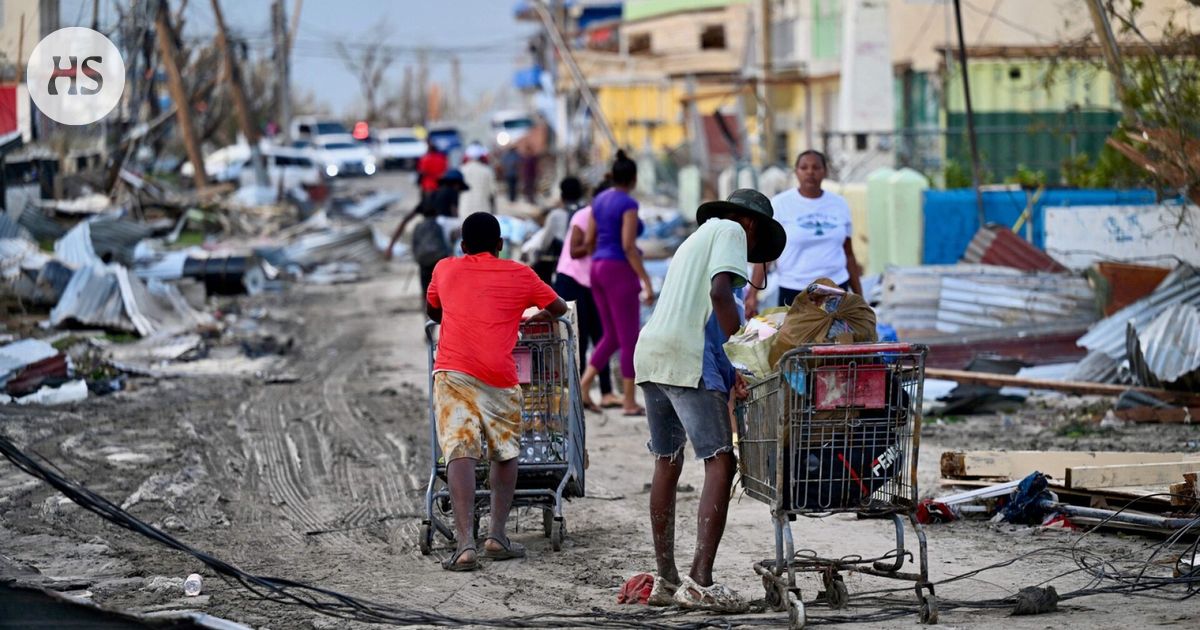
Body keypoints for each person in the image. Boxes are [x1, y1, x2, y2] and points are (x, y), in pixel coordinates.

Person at [633, 189, 786, 611]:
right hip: (686, 359)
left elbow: (703, 310)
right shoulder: (733, 231)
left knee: (667, 461)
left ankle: (666, 579)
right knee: (721, 461)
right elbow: (720, 295)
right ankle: (700, 580)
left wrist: (728, 365)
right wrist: (742, 352)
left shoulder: (694, 239)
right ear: (751, 223)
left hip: (652, 354)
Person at [426, 212, 568, 571]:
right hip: (499, 376)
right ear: (501, 245)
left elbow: (435, 311)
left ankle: (464, 545)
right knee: (505, 452)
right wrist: (532, 314)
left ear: (462, 246)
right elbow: (559, 308)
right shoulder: (521, 273)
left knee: (460, 448)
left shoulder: (444, 268)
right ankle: (497, 536)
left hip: (453, 371)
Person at [580, 151, 654, 416]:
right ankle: (629, 401)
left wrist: (600, 261)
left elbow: (589, 241)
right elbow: (628, 246)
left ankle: (584, 385)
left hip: (598, 267)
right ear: (633, 178)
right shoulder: (628, 204)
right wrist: (646, 281)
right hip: (618, 270)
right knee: (629, 337)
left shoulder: (598, 200)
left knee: (611, 335)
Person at [745, 150, 862, 316]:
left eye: (816, 167)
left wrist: (859, 297)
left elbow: (848, 253)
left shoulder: (839, 204)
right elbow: (767, 255)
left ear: (825, 171)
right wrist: (752, 296)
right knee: (795, 333)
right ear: (796, 172)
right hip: (794, 291)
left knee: (835, 333)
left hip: (835, 289)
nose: (810, 172)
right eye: (804, 167)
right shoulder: (780, 204)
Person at [549, 179, 622, 411]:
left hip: (594, 282)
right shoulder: (584, 216)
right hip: (573, 280)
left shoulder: (614, 219)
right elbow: (575, 250)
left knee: (602, 334)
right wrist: (597, 243)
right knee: (578, 336)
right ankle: (579, 393)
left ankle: (606, 392)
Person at [385, 170, 470, 293]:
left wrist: (390, 246)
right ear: (457, 185)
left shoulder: (429, 197)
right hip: (444, 252)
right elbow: (455, 215)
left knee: (428, 288)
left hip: (425, 250)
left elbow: (405, 220)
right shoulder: (452, 192)